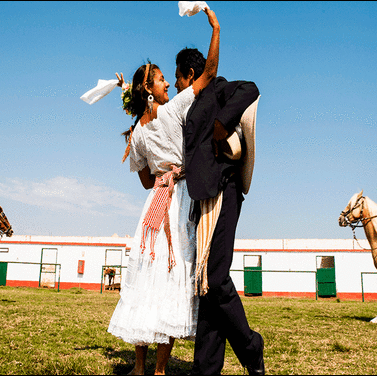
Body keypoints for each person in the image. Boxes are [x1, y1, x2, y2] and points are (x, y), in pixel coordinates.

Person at [106, 9, 220, 375]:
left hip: (153, 204)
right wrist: (215, 28)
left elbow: (142, 179)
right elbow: (208, 76)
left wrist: (159, 174)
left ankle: (139, 367)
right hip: (178, 200)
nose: (168, 85)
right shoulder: (172, 112)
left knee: (145, 277)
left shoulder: (136, 134)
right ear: (149, 89)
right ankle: (158, 369)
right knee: (171, 276)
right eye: (160, 80)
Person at [175, 49, 264, 374]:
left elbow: (250, 89)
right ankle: (206, 370)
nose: (176, 83)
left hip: (224, 190)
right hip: (203, 199)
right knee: (206, 288)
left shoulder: (217, 88)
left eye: (178, 77)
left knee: (215, 277)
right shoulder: (189, 107)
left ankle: (252, 348)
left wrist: (220, 125)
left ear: (189, 74)